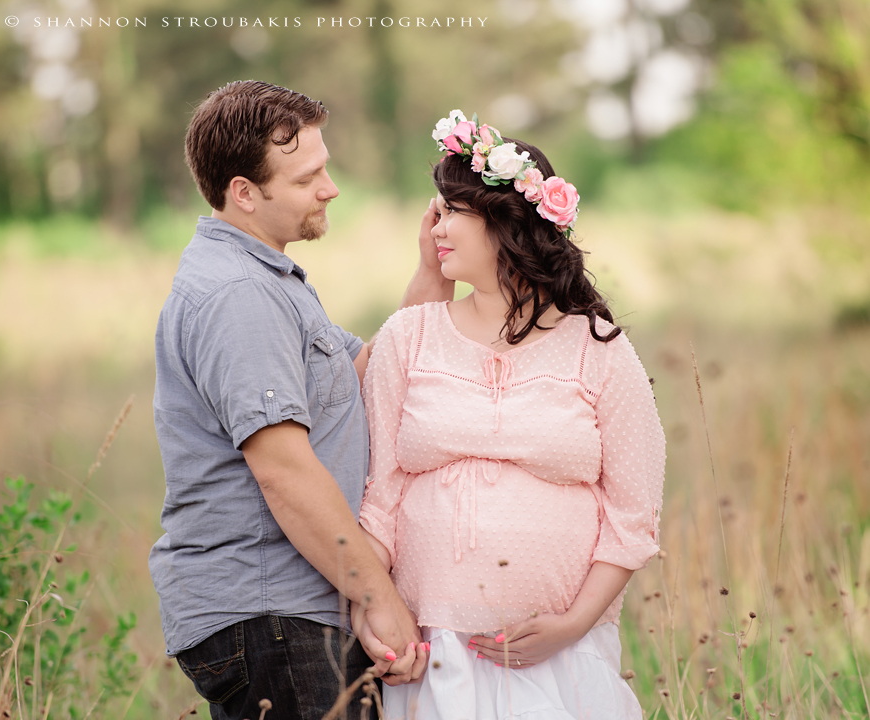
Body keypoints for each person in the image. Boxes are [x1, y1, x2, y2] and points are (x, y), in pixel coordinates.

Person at [149, 81, 449, 720]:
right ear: (244, 193)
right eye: (309, 176)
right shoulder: (239, 297)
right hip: (270, 613)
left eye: (326, 167)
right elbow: (282, 470)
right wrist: (378, 597)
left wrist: (433, 275)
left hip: (288, 612)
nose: (330, 187)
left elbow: (366, 376)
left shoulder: (267, 279)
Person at [357, 111, 666, 718]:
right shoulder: (407, 336)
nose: (435, 230)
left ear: (506, 220)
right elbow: (379, 496)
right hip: (433, 647)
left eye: (452, 213)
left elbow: (634, 515)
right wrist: (369, 610)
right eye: (436, 213)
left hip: (559, 656)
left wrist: (573, 625)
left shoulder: (597, 347)